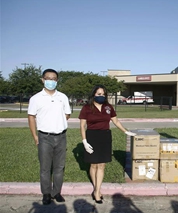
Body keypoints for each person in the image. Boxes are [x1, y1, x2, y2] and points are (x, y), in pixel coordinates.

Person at [79, 85, 136, 204]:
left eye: (103, 94)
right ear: (94, 94)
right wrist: (84, 141)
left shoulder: (108, 107)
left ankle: (97, 190)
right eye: (99, 94)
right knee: (93, 165)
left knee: (102, 165)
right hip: (92, 136)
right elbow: (82, 126)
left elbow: (115, 121)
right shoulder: (87, 108)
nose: (101, 96)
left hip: (105, 137)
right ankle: (97, 190)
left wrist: (125, 131)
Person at [28, 68, 71, 205]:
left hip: (61, 136)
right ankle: (46, 193)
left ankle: (56, 192)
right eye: (48, 78)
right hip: (44, 137)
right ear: (43, 80)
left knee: (59, 167)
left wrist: (57, 122)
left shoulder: (62, 97)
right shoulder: (36, 98)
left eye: (53, 79)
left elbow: (67, 114)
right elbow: (31, 117)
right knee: (45, 168)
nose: (50, 81)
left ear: (57, 81)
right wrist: (35, 136)